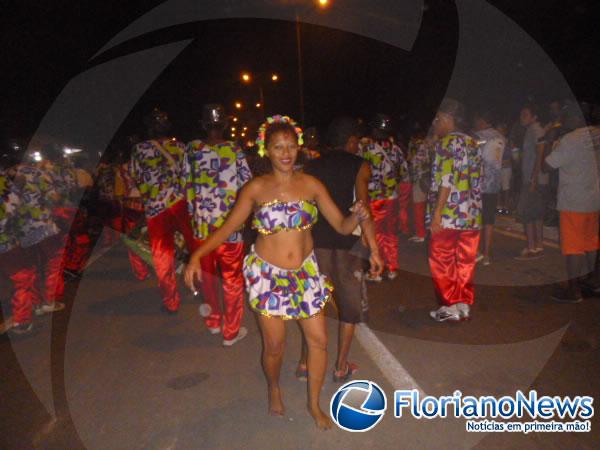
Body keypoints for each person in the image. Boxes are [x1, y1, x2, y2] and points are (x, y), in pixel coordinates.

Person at [184, 115, 371, 429]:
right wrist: (196, 255)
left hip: (306, 274)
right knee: (274, 347)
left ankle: (314, 405)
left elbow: (341, 225)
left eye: (291, 146)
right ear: (266, 151)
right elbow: (228, 227)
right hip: (268, 276)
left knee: (319, 341)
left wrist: (357, 217)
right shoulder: (255, 189)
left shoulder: (311, 184)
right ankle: (273, 387)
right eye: (278, 147)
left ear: (298, 149)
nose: (286, 153)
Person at [297, 117, 383, 382]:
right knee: (349, 308)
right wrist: (375, 249)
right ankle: (340, 366)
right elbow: (362, 207)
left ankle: (304, 363)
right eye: (356, 140)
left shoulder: (309, 167)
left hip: (315, 245)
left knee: (314, 306)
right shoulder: (360, 166)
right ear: (350, 141)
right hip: (349, 245)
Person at [183, 104, 252, 345]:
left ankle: (213, 321)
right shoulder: (234, 150)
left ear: (203, 124)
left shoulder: (192, 150)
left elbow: (186, 187)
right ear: (224, 124)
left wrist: (195, 218)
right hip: (229, 229)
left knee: (209, 278)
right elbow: (247, 186)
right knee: (232, 280)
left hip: (202, 228)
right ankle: (230, 331)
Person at [129, 107, 196, 314]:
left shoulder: (139, 150)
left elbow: (135, 176)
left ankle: (171, 301)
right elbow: (189, 176)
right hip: (180, 204)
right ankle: (201, 286)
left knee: (162, 255)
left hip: (156, 208)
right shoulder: (181, 147)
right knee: (195, 246)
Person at [427, 99, 482, 322]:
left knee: (441, 258)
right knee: (465, 260)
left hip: (449, 213)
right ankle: (463, 302)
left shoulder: (447, 143)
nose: (436, 122)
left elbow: (447, 180)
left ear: (449, 118)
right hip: (471, 213)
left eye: (438, 118)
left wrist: (437, 213)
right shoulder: (473, 143)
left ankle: (449, 304)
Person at [544, 103, 600, 303]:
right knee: (591, 242)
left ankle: (573, 290)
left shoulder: (570, 140)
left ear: (576, 118)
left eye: (567, 116)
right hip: (593, 198)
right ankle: (592, 281)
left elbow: (548, 165)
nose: (564, 119)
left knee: (573, 247)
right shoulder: (596, 134)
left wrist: (551, 142)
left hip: (573, 200)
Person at [359, 114, 406, 281]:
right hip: (392, 198)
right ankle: (392, 268)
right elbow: (403, 173)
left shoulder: (367, 149)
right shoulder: (396, 149)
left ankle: (376, 271)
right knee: (390, 234)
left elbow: (360, 175)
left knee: (375, 234)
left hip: (374, 198)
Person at [473, 111, 507, 266]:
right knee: (489, 221)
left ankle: (475, 252)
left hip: (477, 185)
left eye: (478, 120)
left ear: (483, 120)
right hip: (493, 185)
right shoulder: (500, 137)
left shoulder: (478, 136)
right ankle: (486, 255)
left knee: (475, 219)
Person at [515, 104, 547, 260]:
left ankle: (532, 247)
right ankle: (538, 246)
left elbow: (540, 153)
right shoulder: (532, 130)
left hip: (533, 179)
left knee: (526, 212)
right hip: (534, 178)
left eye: (525, 114)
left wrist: (534, 178)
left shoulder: (535, 130)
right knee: (536, 213)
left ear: (534, 117)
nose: (522, 117)